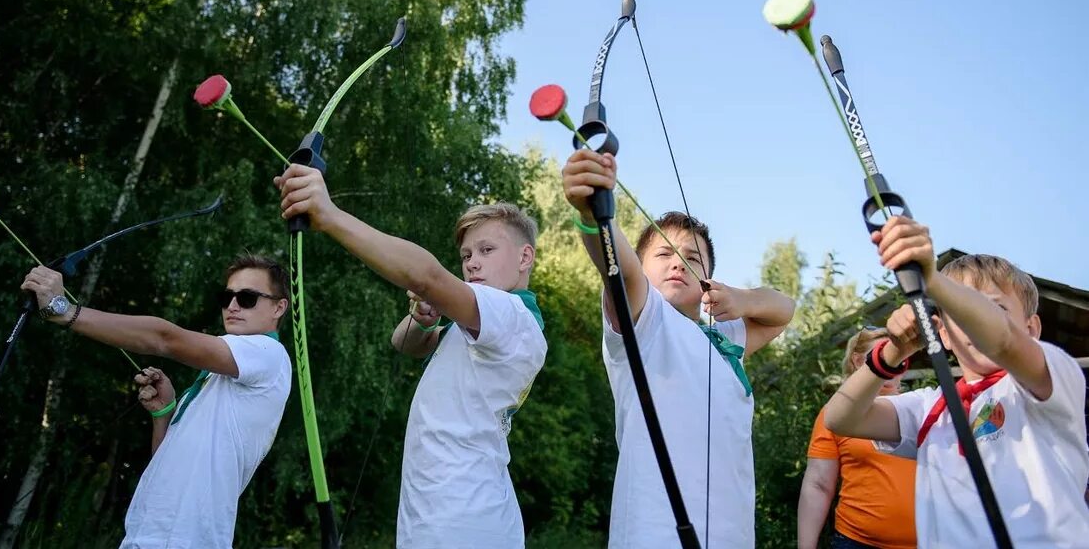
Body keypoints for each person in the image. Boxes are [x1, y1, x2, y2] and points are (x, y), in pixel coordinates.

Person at [276, 164, 547, 549]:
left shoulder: (512, 315)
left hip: (464, 519)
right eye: (467, 253)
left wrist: (330, 215)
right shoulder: (483, 326)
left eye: (487, 250)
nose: (472, 262)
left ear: (525, 257)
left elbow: (426, 277)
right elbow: (404, 342)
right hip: (440, 516)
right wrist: (422, 319)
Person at [561, 148, 794, 548]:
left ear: (708, 278)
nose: (676, 263)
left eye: (692, 258)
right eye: (664, 253)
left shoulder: (724, 341)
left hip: (729, 535)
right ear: (642, 265)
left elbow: (784, 309)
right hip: (655, 533)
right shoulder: (646, 320)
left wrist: (740, 298)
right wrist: (592, 213)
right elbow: (618, 268)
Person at [824, 216, 1089, 547]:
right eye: (959, 315)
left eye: (995, 307)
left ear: (1032, 328)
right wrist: (893, 352)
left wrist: (932, 281)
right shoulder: (928, 405)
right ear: (944, 335)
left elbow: (1003, 339)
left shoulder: (1053, 375)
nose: (974, 321)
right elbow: (840, 419)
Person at [20, 255, 292, 548]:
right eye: (227, 297)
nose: (233, 305)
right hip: (148, 536)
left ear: (279, 307)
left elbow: (165, 339)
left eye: (247, 297)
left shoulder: (268, 353)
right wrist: (164, 414)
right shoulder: (217, 379)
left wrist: (64, 310)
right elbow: (165, 464)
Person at [798, 327, 916, 549]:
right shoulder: (834, 416)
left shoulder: (921, 409)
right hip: (856, 542)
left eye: (898, 358)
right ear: (858, 361)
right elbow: (818, 484)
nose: (891, 367)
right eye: (883, 356)